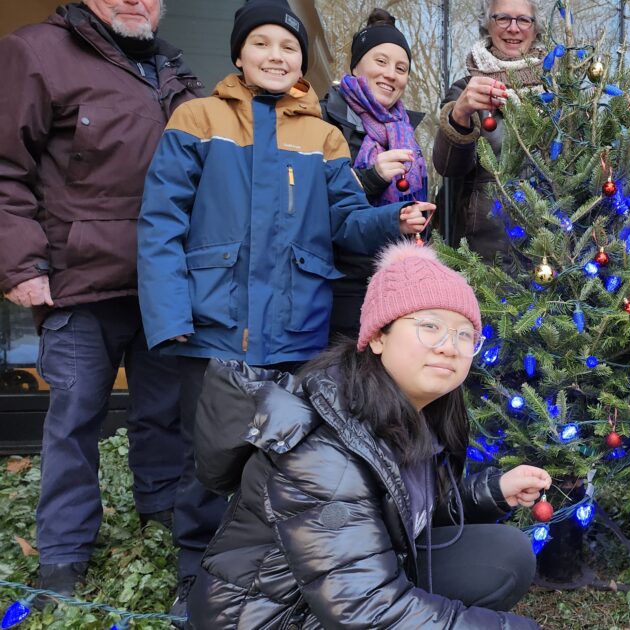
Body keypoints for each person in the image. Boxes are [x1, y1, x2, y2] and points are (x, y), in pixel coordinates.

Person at [136, 0, 420, 615]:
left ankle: (269, 582)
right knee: (208, 464)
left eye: (288, 48)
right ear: (239, 54)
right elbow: (160, 224)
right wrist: (169, 317)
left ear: (300, 61)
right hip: (212, 331)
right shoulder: (197, 118)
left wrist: (391, 219)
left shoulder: (320, 134)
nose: (275, 55)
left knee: (283, 463)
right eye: (261, 44)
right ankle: (197, 580)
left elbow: (344, 220)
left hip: (296, 330)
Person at [189, 242, 545, 629]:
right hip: (274, 618)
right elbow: (364, 611)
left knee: (505, 554)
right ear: (378, 337)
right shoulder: (325, 448)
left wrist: (488, 493)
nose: (450, 348)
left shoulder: (415, 414)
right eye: (429, 326)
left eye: (464, 335)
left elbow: (401, 511)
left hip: (332, 598)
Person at [0, 0, 202, 599]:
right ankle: (63, 556)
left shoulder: (174, 71)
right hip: (78, 283)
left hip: (163, 281)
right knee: (74, 420)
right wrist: (20, 265)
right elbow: (5, 169)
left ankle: (161, 518)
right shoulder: (37, 53)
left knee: (163, 413)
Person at [322, 7, 434, 341]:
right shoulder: (323, 119)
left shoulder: (407, 133)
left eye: (401, 68)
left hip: (395, 286)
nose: (391, 75)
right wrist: (371, 178)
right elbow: (314, 206)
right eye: (380, 62)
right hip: (337, 289)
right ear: (356, 66)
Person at [431, 0, 545, 261]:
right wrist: (459, 115)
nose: (513, 28)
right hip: (484, 255)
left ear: (535, 29)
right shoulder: (467, 91)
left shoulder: (556, 93)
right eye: (502, 18)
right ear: (488, 25)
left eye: (523, 20)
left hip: (550, 252)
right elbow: (448, 167)